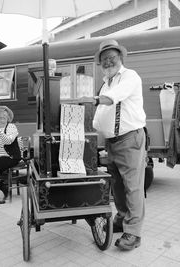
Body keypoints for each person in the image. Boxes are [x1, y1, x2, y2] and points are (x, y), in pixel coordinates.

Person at [80, 39, 146, 250]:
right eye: (104, 59)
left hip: (129, 139)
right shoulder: (106, 82)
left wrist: (94, 99)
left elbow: (112, 98)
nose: (108, 62)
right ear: (100, 63)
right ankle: (122, 217)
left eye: (112, 57)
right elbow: (100, 115)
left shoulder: (129, 76)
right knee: (116, 185)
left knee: (132, 187)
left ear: (120, 58)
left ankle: (133, 233)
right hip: (112, 142)